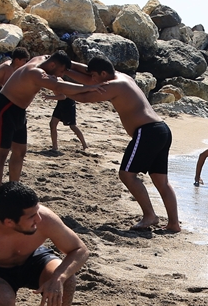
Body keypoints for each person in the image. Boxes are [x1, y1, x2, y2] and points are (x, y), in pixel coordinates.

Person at [65, 57, 180, 232]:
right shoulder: (122, 77)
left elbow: (85, 97)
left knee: (127, 175)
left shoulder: (114, 86)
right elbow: (88, 78)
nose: (93, 80)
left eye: (95, 76)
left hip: (147, 131)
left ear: (103, 74)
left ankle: (150, 216)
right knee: (161, 182)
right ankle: (174, 224)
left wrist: (57, 85)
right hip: (162, 129)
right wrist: (68, 66)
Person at [0, 51, 98, 196]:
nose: (61, 74)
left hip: (19, 110)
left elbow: (76, 67)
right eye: (61, 71)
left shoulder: (45, 58)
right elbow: (60, 87)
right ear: (52, 65)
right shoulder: (35, 73)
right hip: (4, 108)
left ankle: (13, 190)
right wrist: (87, 88)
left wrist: (96, 75)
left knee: (20, 152)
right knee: (1, 154)